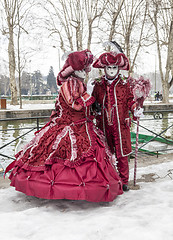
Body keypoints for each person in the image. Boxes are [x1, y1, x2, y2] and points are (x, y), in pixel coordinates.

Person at [6, 49, 123, 202]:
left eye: (84, 69)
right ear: (73, 70)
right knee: (63, 158)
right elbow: (75, 104)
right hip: (69, 126)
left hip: (84, 126)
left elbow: (85, 106)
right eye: (80, 69)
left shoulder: (79, 83)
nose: (84, 72)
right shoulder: (70, 84)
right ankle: (65, 191)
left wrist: (93, 103)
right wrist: (89, 95)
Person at [92, 42, 138, 192]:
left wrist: (135, 109)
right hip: (103, 125)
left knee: (122, 155)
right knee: (106, 154)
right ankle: (110, 180)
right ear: (104, 69)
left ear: (118, 68)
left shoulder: (125, 85)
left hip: (120, 126)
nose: (111, 70)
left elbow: (131, 100)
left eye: (114, 67)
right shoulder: (98, 85)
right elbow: (92, 102)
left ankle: (124, 181)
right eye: (108, 68)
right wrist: (95, 107)